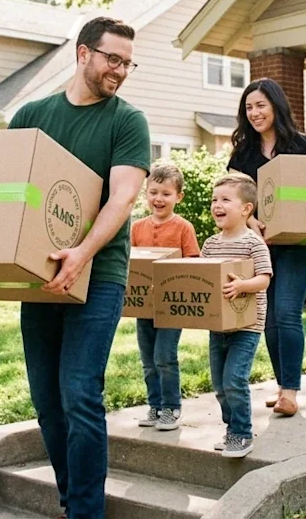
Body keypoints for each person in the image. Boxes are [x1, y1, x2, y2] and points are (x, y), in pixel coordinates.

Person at [0, 16, 150, 519]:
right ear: (84, 54)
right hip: (37, 278)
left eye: (128, 62)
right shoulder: (32, 116)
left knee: (80, 392)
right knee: (48, 402)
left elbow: (123, 197)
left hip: (96, 276)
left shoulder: (126, 121)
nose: (120, 70)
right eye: (112, 59)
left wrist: (81, 253)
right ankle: (68, 498)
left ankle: (86, 512)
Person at [226, 78, 306, 418]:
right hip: (259, 247)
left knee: (286, 312)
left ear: (276, 106)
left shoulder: (304, 146)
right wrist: (251, 222)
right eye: (249, 107)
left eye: (261, 105)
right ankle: (283, 387)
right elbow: (233, 199)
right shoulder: (243, 154)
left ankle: (291, 391)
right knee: (268, 320)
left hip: (296, 245)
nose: (254, 113)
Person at [201, 172, 272, 458]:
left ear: (246, 209)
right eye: (214, 199)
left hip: (247, 324)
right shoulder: (210, 244)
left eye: (225, 199)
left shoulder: (254, 243)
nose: (217, 204)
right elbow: (201, 278)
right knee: (219, 384)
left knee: (234, 379)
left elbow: (265, 279)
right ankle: (231, 430)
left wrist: (243, 285)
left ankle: (242, 433)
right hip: (218, 326)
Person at [130, 163, 201, 432]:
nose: (158, 199)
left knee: (164, 356)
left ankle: (172, 407)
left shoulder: (184, 228)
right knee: (148, 358)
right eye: (153, 192)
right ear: (145, 194)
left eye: (166, 194)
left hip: (172, 305)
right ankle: (155, 405)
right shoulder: (137, 227)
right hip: (145, 306)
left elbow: (193, 262)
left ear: (178, 197)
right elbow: (133, 264)